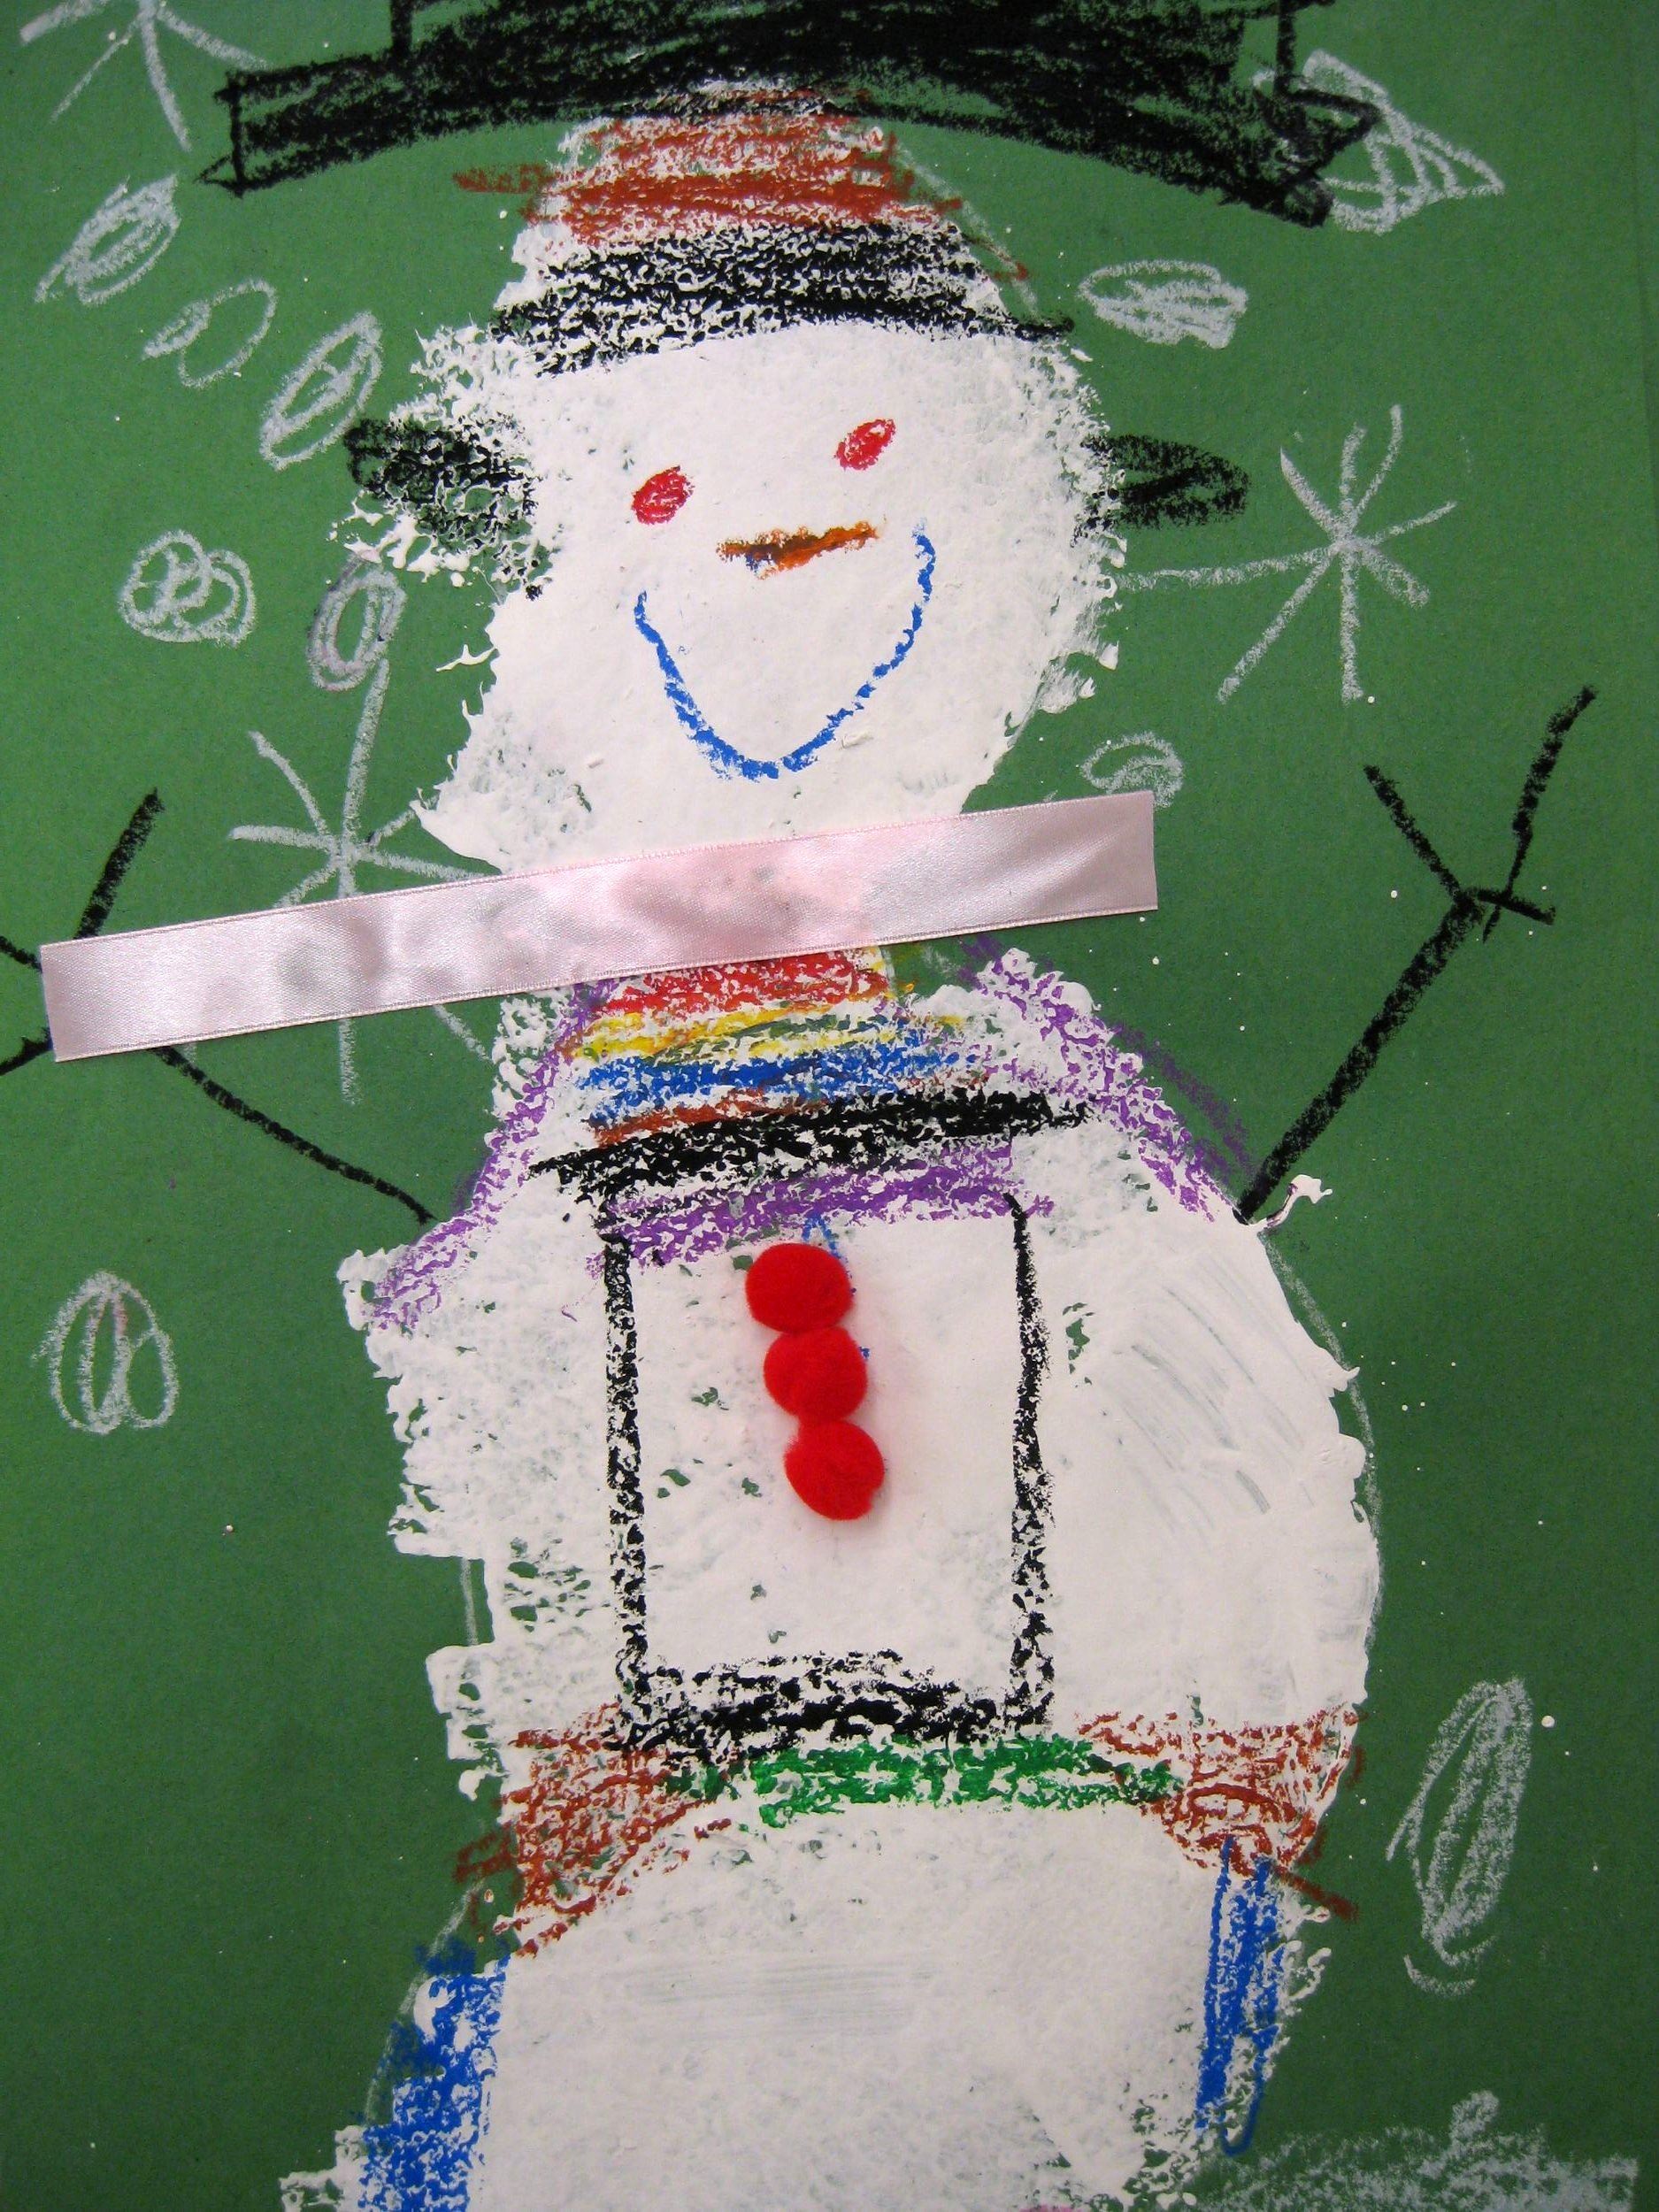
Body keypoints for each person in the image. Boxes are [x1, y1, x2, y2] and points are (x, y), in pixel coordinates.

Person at [288, 92, 1379, 2212]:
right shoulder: (579, 1113)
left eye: (864, 466)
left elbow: (1230, 1423)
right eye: (666, 496)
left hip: (1046, 1880)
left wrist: (1222, 1760)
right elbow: (498, 1432)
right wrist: (571, 1743)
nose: (769, 552)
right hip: (678, 1901)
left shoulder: (1046, 1087)